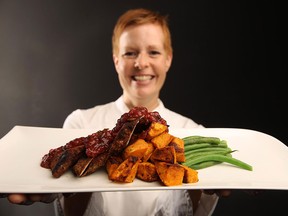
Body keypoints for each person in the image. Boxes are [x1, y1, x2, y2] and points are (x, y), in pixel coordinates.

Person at [3, 8, 231, 216]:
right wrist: (58, 188)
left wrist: (209, 187)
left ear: (168, 60)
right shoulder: (80, 121)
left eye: (153, 52)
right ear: (116, 61)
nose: (141, 63)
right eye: (130, 53)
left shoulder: (192, 130)